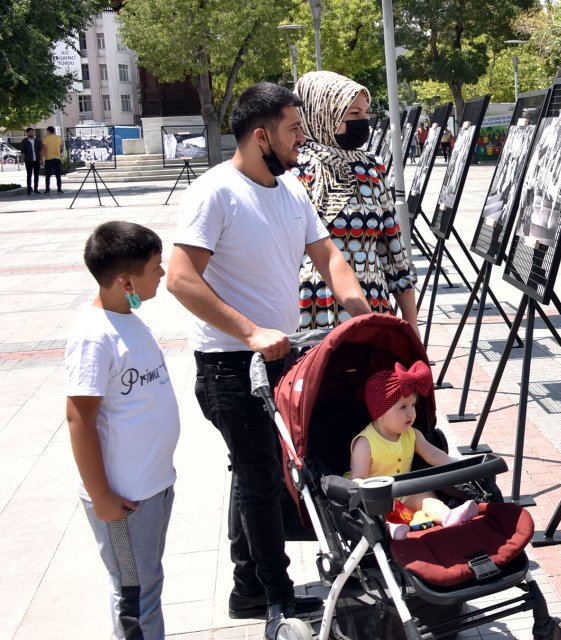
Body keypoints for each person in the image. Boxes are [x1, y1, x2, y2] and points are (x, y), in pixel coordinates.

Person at [166, 82, 373, 637]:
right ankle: (276, 600)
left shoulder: (291, 192)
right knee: (260, 476)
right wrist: (251, 330)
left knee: (258, 472)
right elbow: (180, 280)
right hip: (230, 366)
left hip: (279, 359)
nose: (302, 138)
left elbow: (330, 258)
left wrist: (358, 312)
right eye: (293, 129)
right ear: (262, 136)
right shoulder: (216, 192)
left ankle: (247, 586)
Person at [65, 221, 180, 640]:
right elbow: (80, 418)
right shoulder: (93, 336)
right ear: (125, 280)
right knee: (135, 595)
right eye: (155, 268)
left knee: (148, 583)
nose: (163, 274)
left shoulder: (129, 319)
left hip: (153, 488)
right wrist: (102, 497)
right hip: (124, 501)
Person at [292, 71, 417, 331]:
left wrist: (411, 324)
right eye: (353, 114)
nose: (363, 122)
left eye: (365, 114)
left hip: (370, 307)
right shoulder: (292, 170)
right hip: (309, 312)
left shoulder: (370, 168)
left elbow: (393, 251)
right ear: (323, 114)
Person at [350, 361, 476, 538]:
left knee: (426, 495)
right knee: (370, 508)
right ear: (380, 414)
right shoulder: (365, 442)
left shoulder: (412, 435)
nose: (411, 413)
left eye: (413, 405)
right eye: (403, 407)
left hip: (403, 490)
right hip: (376, 496)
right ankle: (387, 528)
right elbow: (358, 478)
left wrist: (460, 466)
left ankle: (448, 516)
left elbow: (433, 454)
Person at [42, 126, 63, 194]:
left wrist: (42, 157)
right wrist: (59, 153)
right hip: (57, 158)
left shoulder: (45, 138)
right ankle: (59, 189)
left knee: (48, 175)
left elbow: (44, 148)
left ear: (48, 131)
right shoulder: (59, 138)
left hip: (48, 158)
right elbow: (61, 147)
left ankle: (47, 189)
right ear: (54, 130)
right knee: (58, 175)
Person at [20, 127, 40, 194]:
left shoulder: (37, 141)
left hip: (36, 160)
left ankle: (36, 189)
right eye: (30, 132)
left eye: (32, 132)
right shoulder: (24, 141)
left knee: (36, 175)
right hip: (28, 160)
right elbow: (22, 151)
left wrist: (41, 159)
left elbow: (40, 150)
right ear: (27, 133)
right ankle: (29, 189)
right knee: (29, 175)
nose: (32, 133)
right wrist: (22, 159)